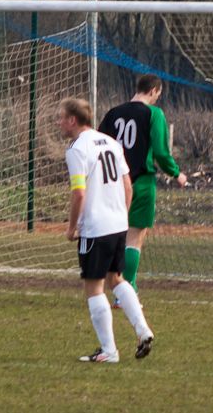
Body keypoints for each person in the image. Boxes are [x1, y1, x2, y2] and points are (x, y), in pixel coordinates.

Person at [61, 97, 154, 363]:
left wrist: (72, 228)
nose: (58, 123)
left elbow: (79, 193)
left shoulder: (77, 149)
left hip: (95, 227)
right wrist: (121, 216)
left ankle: (109, 351)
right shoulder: (111, 143)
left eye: (61, 118)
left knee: (94, 287)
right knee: (117, 279)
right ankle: (143, 330)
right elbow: (128, 187)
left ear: (72, 120)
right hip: (117, 224)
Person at [98, 74, 187, 297]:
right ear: (154, 91)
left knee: (116, 234)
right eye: (158, 94)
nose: (157, 98)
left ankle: (118, 286)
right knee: (135, 237)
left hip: (114, 182)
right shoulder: (154, 114)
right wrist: (176, 173)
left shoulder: (113, 113)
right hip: (142, 182)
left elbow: (99, 146)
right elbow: (160, 152)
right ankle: (126, 292)